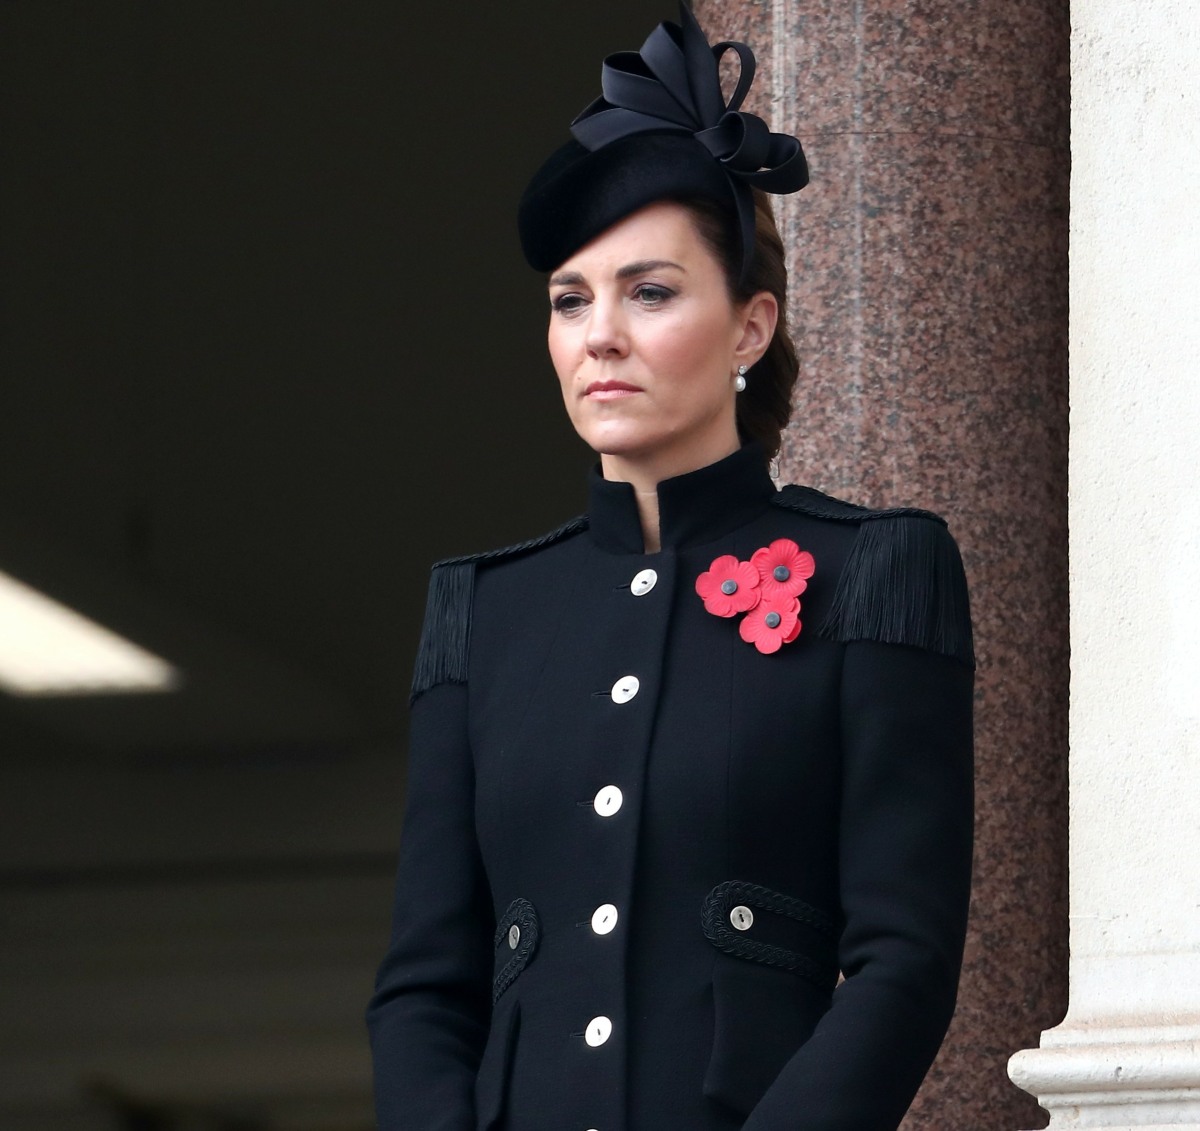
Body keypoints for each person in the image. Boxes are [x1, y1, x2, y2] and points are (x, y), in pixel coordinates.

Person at [366, 5, 975, 1129]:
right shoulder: (484, 613)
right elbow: (423, 991)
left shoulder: (877, 571)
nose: (600, 333)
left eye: (650, 292)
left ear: (750, 328)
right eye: (569, 299)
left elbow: (903, 961)